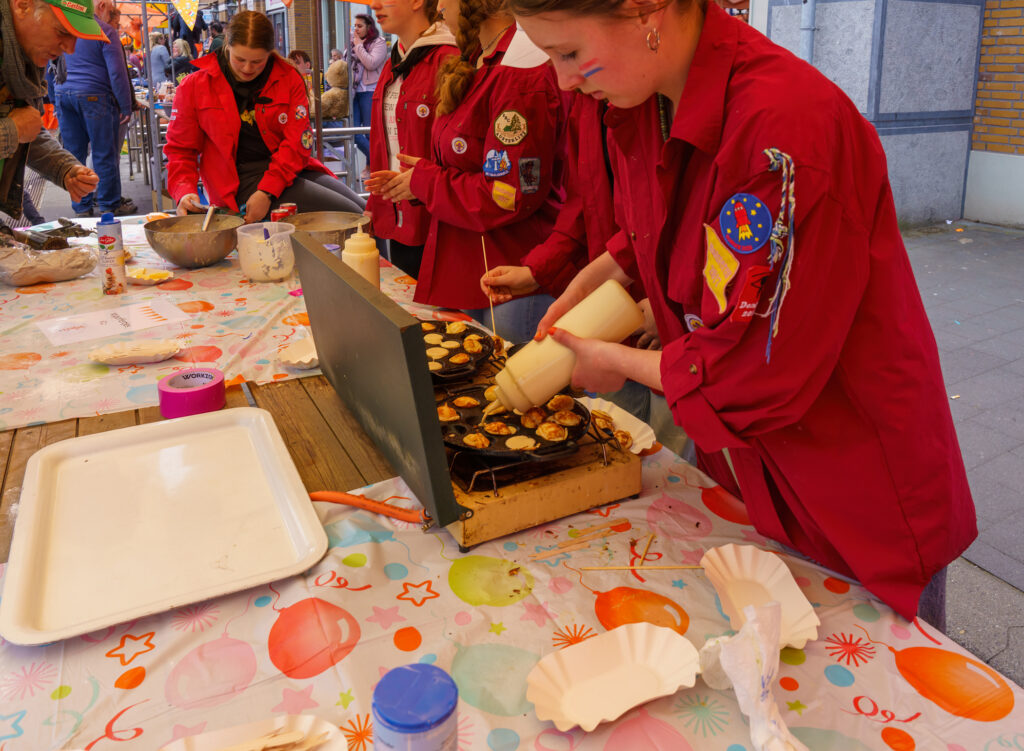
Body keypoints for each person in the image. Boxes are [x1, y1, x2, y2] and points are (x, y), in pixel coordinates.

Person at [511, 0, 976, 625]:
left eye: (568, 54)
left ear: (648, 10)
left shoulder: (786, 125)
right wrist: (591, 281)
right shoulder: (644, 102)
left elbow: (755, 365)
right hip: (747, 473)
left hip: (847, 485)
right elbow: (655, 227)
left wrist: (603, 360)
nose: (565, 81)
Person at [370, 0, 568, 344]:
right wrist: (423, 178)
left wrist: (428, 183)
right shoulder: (480, 57)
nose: (440, 4)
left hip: (508, 272)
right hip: (470, 266)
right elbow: (472, 162)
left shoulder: (518, 68)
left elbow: (507, 196)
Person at [165, 10, 364, 223]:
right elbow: (181, 150)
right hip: (237, 182)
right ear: (227, 46)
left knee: (366, 211)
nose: (247, 68)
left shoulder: (288, 78)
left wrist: (267, 191)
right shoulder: (195, 86)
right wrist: (185, 191)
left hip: (288, 170)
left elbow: (298, 142)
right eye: (240, 59)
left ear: (270, 53)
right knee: (356, 217)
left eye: (257, 61)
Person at [363, 0, 457, 279]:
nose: (375, 5)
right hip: (396, 212)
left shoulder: (449, 60)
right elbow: (384, 143)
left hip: (438, 220)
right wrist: (375, 203)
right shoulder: (395, 61)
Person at [0, 0, 101, 222]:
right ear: (22, 5)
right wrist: (10, 131)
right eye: (62, 31)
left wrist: (64, 168)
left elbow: (28, 129)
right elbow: (19, 128)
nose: (70, 48)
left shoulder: (24, 53)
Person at [53, 0, 136, 217]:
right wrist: (126, 106)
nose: (111, 14)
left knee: (74, 155)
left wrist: (55, 98)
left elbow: (49, 64)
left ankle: (81, 207)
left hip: (64, 93)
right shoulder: (105, 31)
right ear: (99, 6)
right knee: (103, 153)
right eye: (109, 8)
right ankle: (109, 204)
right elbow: (117, 73)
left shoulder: (67, 26)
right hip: (94, 95)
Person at [346, 13, 387, 171]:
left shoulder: (379, 43)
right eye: (354, 26)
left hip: (370, 91)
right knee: (355, 132)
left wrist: (358, 46)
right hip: (354, 91)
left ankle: (374, 165)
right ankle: (375, 162)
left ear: (369, 27)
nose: (356, 29)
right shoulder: (353, 42)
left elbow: (371, 63)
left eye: (360, 26)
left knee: (370, 132)